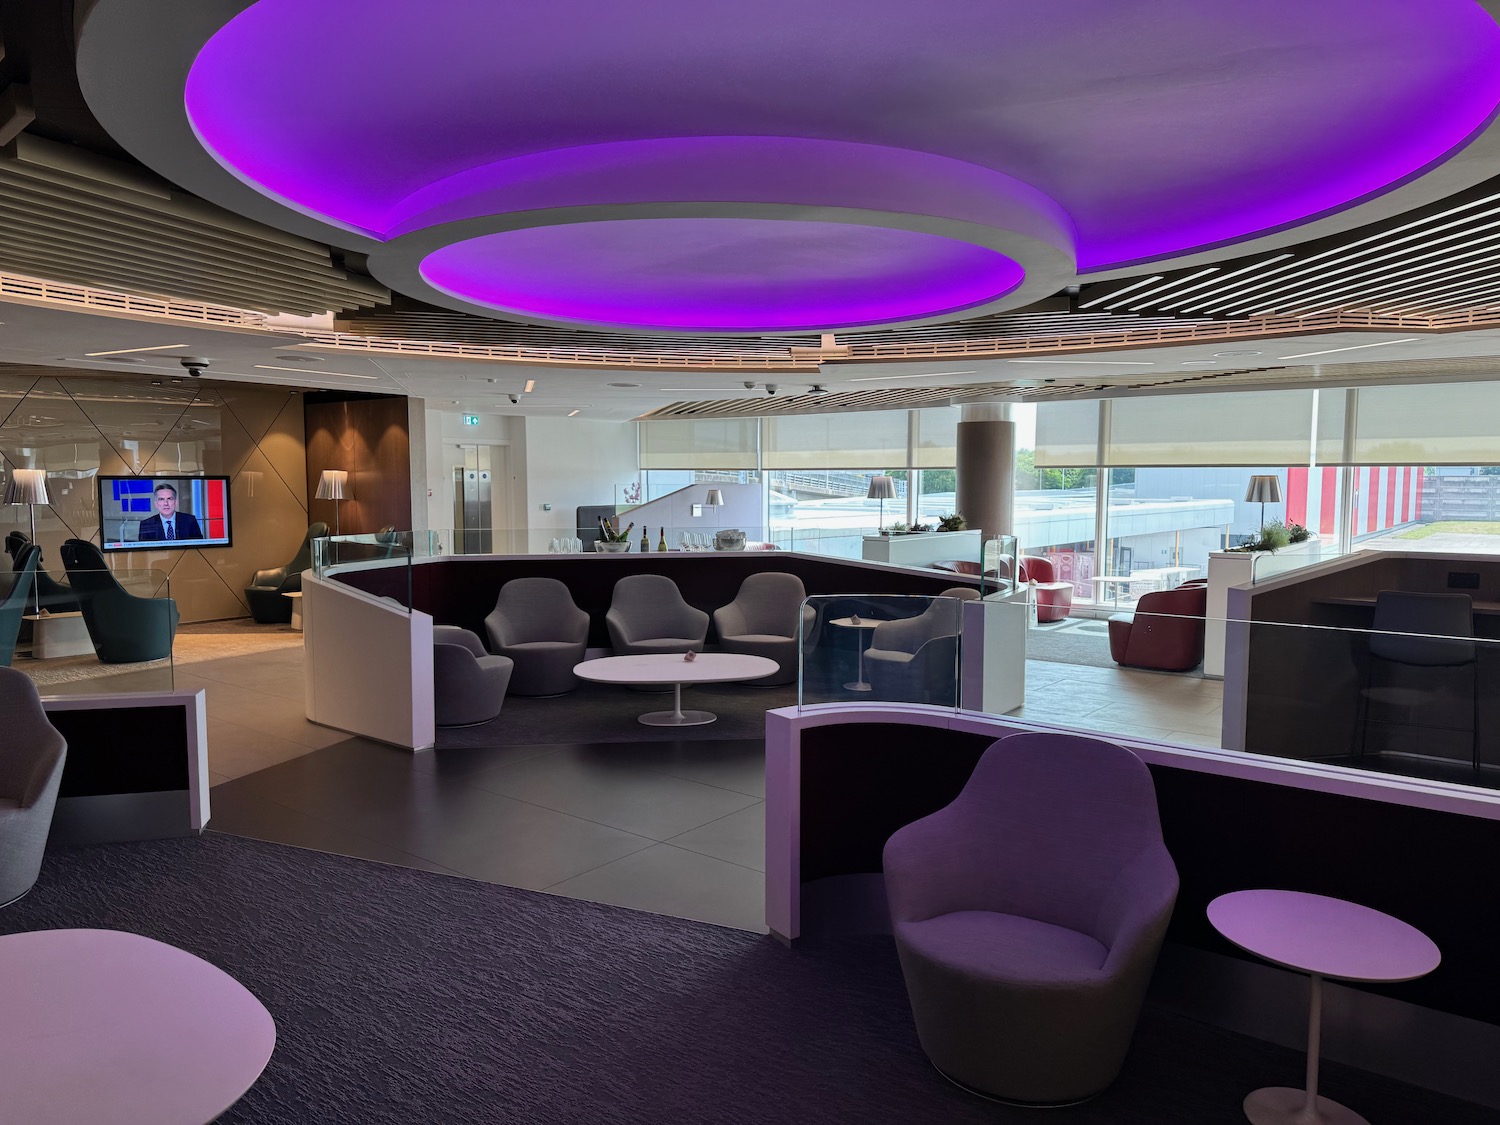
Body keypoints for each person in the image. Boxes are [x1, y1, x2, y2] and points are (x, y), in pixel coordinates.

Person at [135, 483, 204, 542]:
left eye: (169, 499)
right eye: (161, 499)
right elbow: (144, 553)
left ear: (176, 502)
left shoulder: (190, 520)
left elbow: (199, 548)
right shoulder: (146, 524)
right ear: (156, 504)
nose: (166, 503)